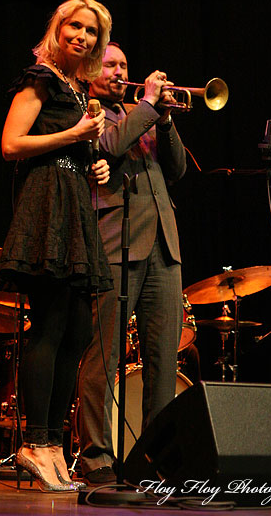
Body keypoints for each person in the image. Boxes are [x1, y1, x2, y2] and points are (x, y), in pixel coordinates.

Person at [0, 0, 114, 492]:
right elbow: (10, 144)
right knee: (49, 326)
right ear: (58, 29)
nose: (82, 36)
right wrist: (74, 135)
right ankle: (35, 443)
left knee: (78, 331)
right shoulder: (39, 78)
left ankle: (53, 444)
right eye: (75, 26)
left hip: (73, 204)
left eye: (91, 31)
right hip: (45, 207)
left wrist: (96, 164)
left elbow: (74, 153)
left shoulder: (79, 88)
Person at [77, 41, 187, 485]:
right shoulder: (90, 112)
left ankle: (154, 459)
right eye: (110, 65)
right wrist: (147, 105)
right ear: (90, 72)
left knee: (163, 360)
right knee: (102, 357)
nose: (120, 71)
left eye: (124, 64)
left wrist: (167, 116)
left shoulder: (145, 114)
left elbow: (176, 169)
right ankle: (97, 459)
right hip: (115, 242)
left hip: (164, 245)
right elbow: (110, 145)